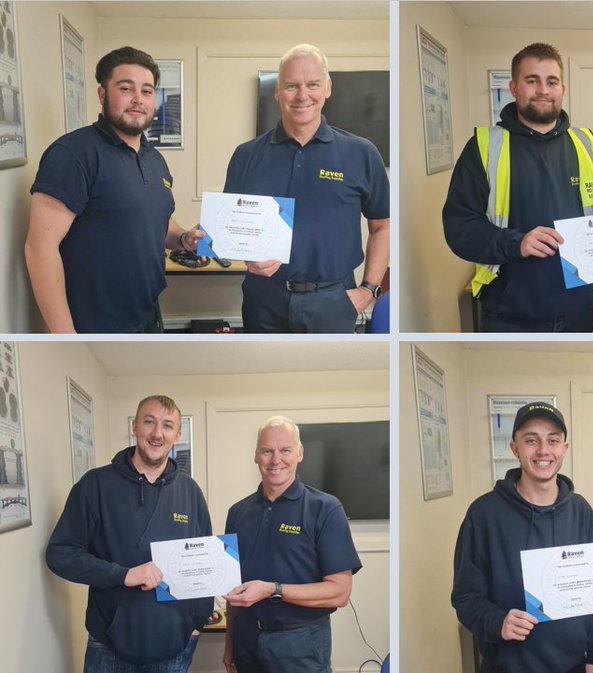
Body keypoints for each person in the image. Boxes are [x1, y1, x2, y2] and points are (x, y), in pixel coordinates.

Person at [26, 47, 204, 333]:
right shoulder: (73, 154)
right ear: (102, 94)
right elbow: (40, 249)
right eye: (125, 88)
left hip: (147, 314)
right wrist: (66, 338)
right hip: (95, 325)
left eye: (147, 91)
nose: (138, 99)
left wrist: (183, 238)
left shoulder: (154, 159)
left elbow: (155, 219)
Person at [443, 42, 593, 332]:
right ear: (514, 87)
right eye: (532, 81)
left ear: (562, 89)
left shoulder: (586, 143)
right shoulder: (483, 147)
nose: (543, 90)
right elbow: (459, 228)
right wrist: (516, 243)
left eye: (552, 81)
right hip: (509, 315)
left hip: (579, 310)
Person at [223, 44, 389, 333]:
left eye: (312, 84)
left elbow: (382, 227)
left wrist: (369, 290)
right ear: (277, 91)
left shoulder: (361, 153)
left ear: (327, 88)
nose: (302, 96)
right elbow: (231, 228)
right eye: (291, 86)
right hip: (263, 298)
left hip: (333, 299)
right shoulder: (246, 155)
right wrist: (247, 256)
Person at [45, 395, 211, 671]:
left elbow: (204, 561)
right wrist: (123, 575)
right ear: (135, 426)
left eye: (167, 426)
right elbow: (60, 555)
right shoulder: (95, 485)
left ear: (177, 436)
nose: (157, 433)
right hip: (109, 645)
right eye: (149, 422)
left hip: (174, 645)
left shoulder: (190, 492)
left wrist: (197, 624)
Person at [452, 402, 593, 672]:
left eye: (553, 441)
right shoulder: (484, 514)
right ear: (515, 448)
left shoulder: (581, 511)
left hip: (572, 665)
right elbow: (465, 598)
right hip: (506, 667)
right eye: (531, 440)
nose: (543, 450)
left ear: (564, 448)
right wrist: (498, 622)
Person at [222, 416, 361, 673]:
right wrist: (230, 642)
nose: (276, 460)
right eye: (267, 451)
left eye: (285, 450)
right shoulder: (237, 513)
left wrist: (273, 590)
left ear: (299, 453)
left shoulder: (326, 509)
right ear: (256, 456)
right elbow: (233, 587)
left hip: (300, 645)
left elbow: (340, 593)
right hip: (246, 641)